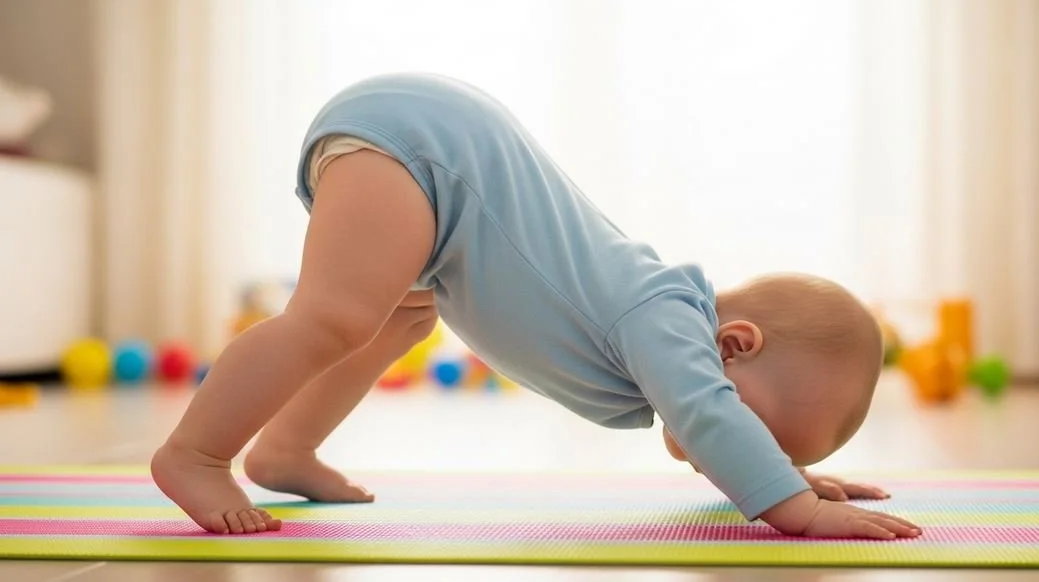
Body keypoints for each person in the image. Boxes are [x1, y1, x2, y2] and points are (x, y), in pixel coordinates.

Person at [151, 73, 921, 541]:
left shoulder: (667, 325)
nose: (738, 443)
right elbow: (707, 415)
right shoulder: (666, 321)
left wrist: (787, 474)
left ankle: (286, 450)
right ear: (733, 346)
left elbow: (717, 419)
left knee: (399, 318)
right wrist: (794, 508)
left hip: (435, 172)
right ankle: (196, 452)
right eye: (760, 431)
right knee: (335, 317)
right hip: (424, 147)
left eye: (773, 450)